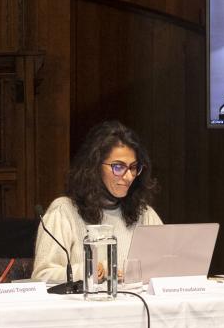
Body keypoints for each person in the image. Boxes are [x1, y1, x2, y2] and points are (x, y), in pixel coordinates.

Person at [33, 120, 162, 283]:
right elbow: (42, 276)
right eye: (118, 167)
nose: (129, 176)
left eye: (133, 167)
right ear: (94, 167)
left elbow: (164, 269)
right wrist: (89, 271)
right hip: (83, 307)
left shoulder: (145, 213)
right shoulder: (63, 211)